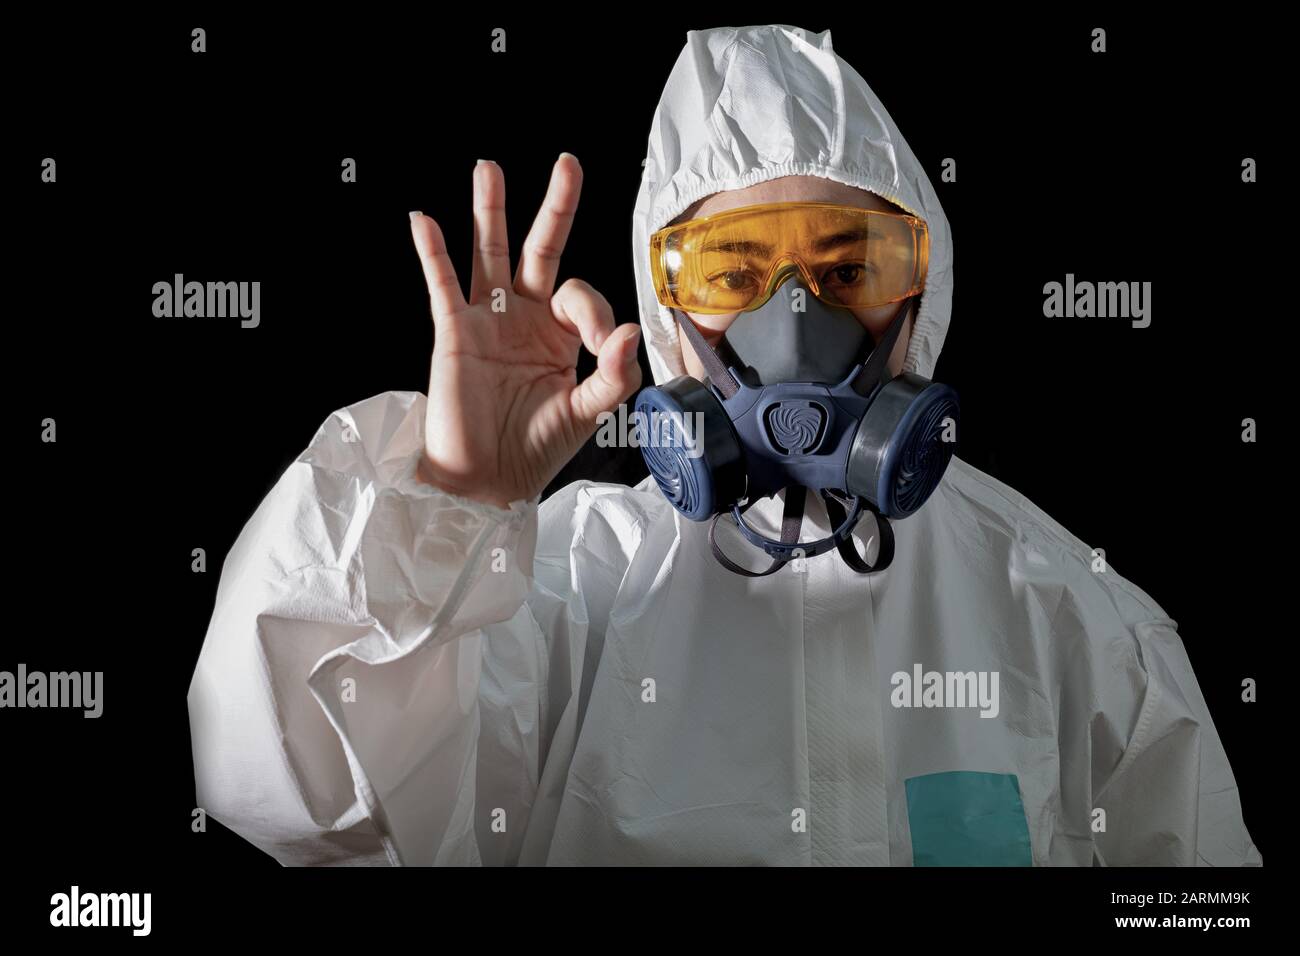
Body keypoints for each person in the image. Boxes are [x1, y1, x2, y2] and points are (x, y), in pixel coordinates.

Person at [186, 24, 1261, 866]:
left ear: (919, 295)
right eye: (732, 274)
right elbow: (293, 795)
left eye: (848, 270)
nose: (793, 322)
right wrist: (448, 502)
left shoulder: (1068, 612)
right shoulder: (556, 588)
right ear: (667, 314)